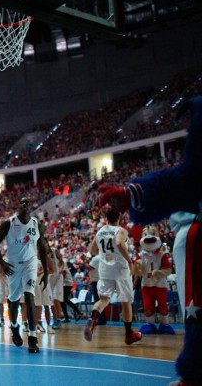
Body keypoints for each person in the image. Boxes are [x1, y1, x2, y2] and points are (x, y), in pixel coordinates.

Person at [98, 95, 202, 386]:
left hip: (186, 238)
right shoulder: (118, 233)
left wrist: (133, 195)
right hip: (128, 271)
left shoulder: (115, 232)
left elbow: (186, 178)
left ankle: (194, 374)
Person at [0, 197, 48, 354]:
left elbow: (42, 248)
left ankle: (32, 338)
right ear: (18, 206)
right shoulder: (9, 223)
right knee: (14, 300)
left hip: (30, 263)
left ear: (31, 207)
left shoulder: (37, 224)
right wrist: (2, 262)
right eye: (21, 202)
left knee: (30, 297)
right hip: (13, 265)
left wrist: (47, 272)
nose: (24, 205)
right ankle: (14, 326)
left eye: (27, 203)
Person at [83, 209, 142, 345]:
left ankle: (92, 323)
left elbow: (91, 250)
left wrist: (104, 252)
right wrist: (129, 261)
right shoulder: (121, 230)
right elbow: (119, 243)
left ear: (106, 218)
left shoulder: (100, 231)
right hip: (120, 269)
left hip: (104, 269)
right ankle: (128, 335)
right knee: (126, 302)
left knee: (103, 300)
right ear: (119, 217)